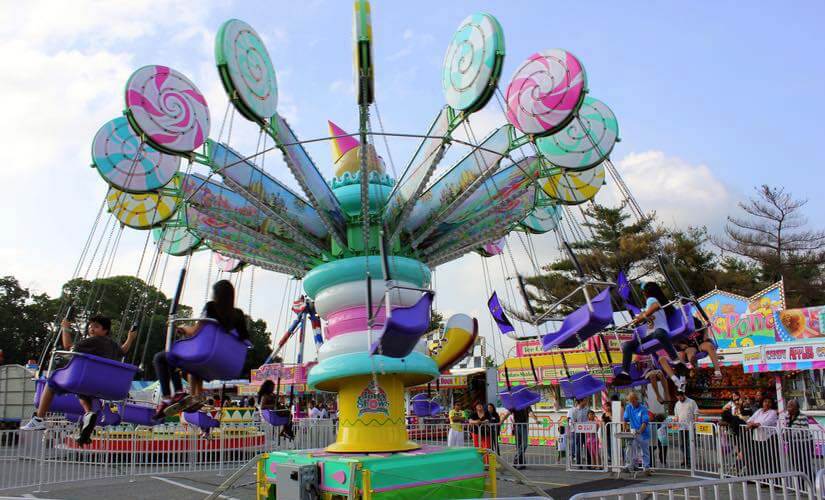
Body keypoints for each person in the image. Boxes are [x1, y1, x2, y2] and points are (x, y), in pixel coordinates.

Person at [22, 316, 137, 445]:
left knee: (52, 382)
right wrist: (130, 338)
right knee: (83, 393)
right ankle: (89, 414)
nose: (91, 328)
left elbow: (68, 346)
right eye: (90, 325)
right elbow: (123, 351)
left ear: (105, 331)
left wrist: (65, 329)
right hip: (104, 384)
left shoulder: (93, 341)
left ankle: (38, 418)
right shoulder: (112, 344)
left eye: (96, 326)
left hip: (86, 378)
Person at [153, 280, 249, 418]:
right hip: (225, 363)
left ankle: (169, 396)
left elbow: (194, 331)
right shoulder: (239, 315)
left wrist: (182, 328)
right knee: (193, 367)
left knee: (162, 358)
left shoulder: (211, 307)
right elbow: (244, 337)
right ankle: (195, 395)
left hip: (207, 355)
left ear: (216, 295)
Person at [616, 283, 689, 391]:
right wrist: (640, 317)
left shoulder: (651, 300)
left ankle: (676, 361)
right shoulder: (647, 306)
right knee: (627, 345)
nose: (643, 295)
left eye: (643, 293)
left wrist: (644, 316)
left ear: (646, 293)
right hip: (651, 336)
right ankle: (625, 372)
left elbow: (655, 307)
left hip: (660, 332)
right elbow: (642, 316)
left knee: (658, 333)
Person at [677, 314, 722, 379]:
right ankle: (694, 367)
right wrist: (680, 345)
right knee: (690, 352)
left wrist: (705, 335)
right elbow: (674, 340)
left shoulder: (693, 320)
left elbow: (704, 327)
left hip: (701, 343)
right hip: (690, 346)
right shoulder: (678, 326)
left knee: (709, 346)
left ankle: (717, 371)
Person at [781, 399, 813, 482]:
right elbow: (786, 428)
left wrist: (791, 433)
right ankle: (801, 486)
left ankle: (812, 483)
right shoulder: (787, 416)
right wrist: (785, 434)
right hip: (792, 443)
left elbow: (804, 430)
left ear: (796, 408)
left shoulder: (802, 416)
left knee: (805, 465)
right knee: (796, 464)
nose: (788, 408)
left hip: (804, 443)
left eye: (791, 406)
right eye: (788, 406)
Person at [746, 396, 778, 474]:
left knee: (768, 460)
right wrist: (751, 424)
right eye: (765, 401)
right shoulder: (759, 411)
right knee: (757, 458)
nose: (767, 404)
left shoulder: (773, 412)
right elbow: (750, 420)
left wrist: (753, 425)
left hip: (768, 439)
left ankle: (769, 478)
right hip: (757, 438)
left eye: (769, 402)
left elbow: (766, 422)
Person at [623, 391, 651, 474]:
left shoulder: (643, 408)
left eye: (633, 401)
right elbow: (625, 420)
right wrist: (625, 430)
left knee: (644, 451)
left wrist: (640, 431)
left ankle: (646, 468)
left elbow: (645, 422)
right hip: (633, 433)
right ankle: (630, 466)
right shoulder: (628, 407)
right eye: (630, 401)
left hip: (643, 433)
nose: (632, 403)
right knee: (630, 449)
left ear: (637, 399)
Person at [502, 403, 537, 470]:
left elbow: (531, 413)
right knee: (519, 446)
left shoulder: (526, 405)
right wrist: (502, 421)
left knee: (524, 444)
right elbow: (507, 413)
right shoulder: (514, 405)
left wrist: (535, 419)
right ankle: (522, 463)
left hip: (524, 426)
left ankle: (516, 460)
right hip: (517, 426)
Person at [673, 391, 699, 466]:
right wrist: (675, 422)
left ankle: (690, 460)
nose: (679, 399)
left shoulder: (691, 402)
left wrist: (695, 423)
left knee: (690, 444)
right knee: (682, 444)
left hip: (690, 427)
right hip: (681, 427)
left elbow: (696, 413)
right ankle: (685, 459)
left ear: (683, 395)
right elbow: (676, 415)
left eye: (680, 397)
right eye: (678, 397)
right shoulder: (677, 404)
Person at [567, 398, 589, 464]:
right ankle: (578, 461)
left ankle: (589, 460)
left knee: (587, 445)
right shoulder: (574, 410)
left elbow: (589, 419)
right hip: (577, 431)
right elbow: (571, 421)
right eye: (585, 400)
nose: (586, 401)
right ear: (581, 401)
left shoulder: (587, 410)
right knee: (578, 446)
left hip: (586, 431)